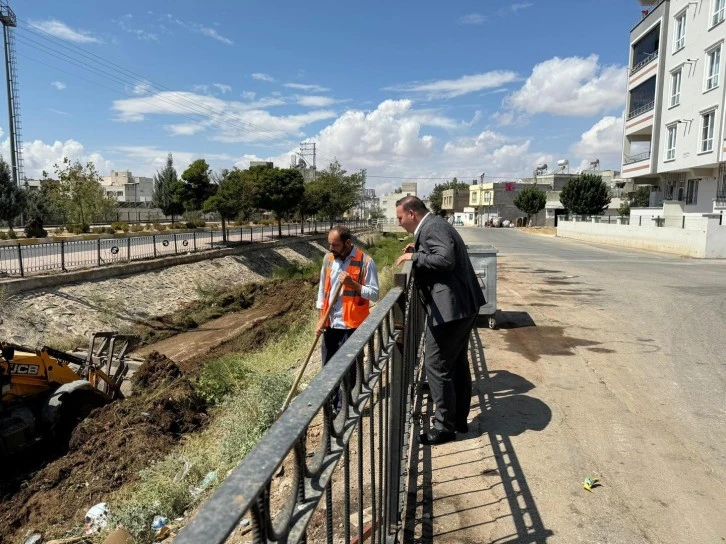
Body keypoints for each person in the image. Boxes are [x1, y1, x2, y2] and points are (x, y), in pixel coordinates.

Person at [395, 196, 485, 445]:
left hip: (451, 309)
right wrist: (419, 251)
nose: (400, 223)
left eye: (400, 218)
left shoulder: (432, 227)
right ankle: (458, 420)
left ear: (412, 213)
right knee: (456, 364)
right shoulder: (434, 225)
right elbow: (441, 252)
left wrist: (415, 259)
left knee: (436, 364)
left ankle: (444, 427)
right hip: (462, 305)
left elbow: (445, 259)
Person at [316, 225, 379, 412]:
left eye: (335, 245)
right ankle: (334, 406)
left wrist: (354, 285)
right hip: (330, 323)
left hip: (352, 325)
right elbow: (322, 292)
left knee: (349, 370)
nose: (331, 249)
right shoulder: (328, 259)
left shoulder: (366, 262)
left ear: (348, 243)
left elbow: (374, 294)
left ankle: (345, 406)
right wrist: (320, 319)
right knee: (328, 368)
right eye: (329, 244)